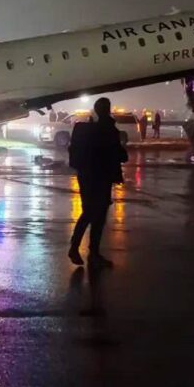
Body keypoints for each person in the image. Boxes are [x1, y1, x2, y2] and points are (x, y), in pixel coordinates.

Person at [68, 97, 129, 267]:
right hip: (101, 178)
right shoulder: (109, 130)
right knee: (98, 216)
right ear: (108, 109)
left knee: (88, 213)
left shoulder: (87, 129)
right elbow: (120, 155)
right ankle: (91, 253)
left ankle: (77, 248)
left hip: (86, 176)